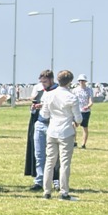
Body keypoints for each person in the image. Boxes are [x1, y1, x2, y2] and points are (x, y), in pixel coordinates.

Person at [41, 68, 82, 201]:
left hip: (52, 130)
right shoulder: (71, 97)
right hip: (66, 132)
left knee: (49, 162)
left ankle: (46, 191)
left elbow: (44, 114)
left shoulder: (49, 95)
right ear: (70, 82)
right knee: (64, 163)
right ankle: (64, 192)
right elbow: (79, 119)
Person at [25, 69, 55, 188]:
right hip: (39, 123)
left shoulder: (56, 91)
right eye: (42, 82)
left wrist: (45, 106)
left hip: (52, 125)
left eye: (45, 82)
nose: (43, 84)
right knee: (39, 154)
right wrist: (34, 108)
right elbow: (32, 109)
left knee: (53, 155)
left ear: (51, 80)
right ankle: (39, 180)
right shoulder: (40, 91)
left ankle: (55, 180)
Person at [76, 75, 93, 147]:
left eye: (83, 80)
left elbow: (91, 101)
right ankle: (74, 142)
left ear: (85, 81)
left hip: (85, 112)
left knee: (84, 127)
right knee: (73, 126)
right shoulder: (75, 90)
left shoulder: (89, 90)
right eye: (80, 80)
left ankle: (83, 144)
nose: (81, 82)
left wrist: (88, 106)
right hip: (77, 111)